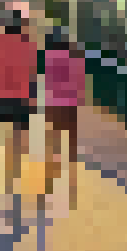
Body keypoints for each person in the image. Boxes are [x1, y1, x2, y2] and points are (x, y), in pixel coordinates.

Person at [0, 10, 39, 183]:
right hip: (20, 98)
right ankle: (14, 171)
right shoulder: (28, 45)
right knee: (18, 137)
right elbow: (32, 74)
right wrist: (32, 99)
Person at [38, 26, 85, 182]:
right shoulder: (76, 59)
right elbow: (80, 83)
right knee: (71, 140)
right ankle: (71, 172)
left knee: (52, 140)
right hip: (71, 105)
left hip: (53, 104)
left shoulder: (49, 57)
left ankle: (50, 174)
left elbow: (47, 81)